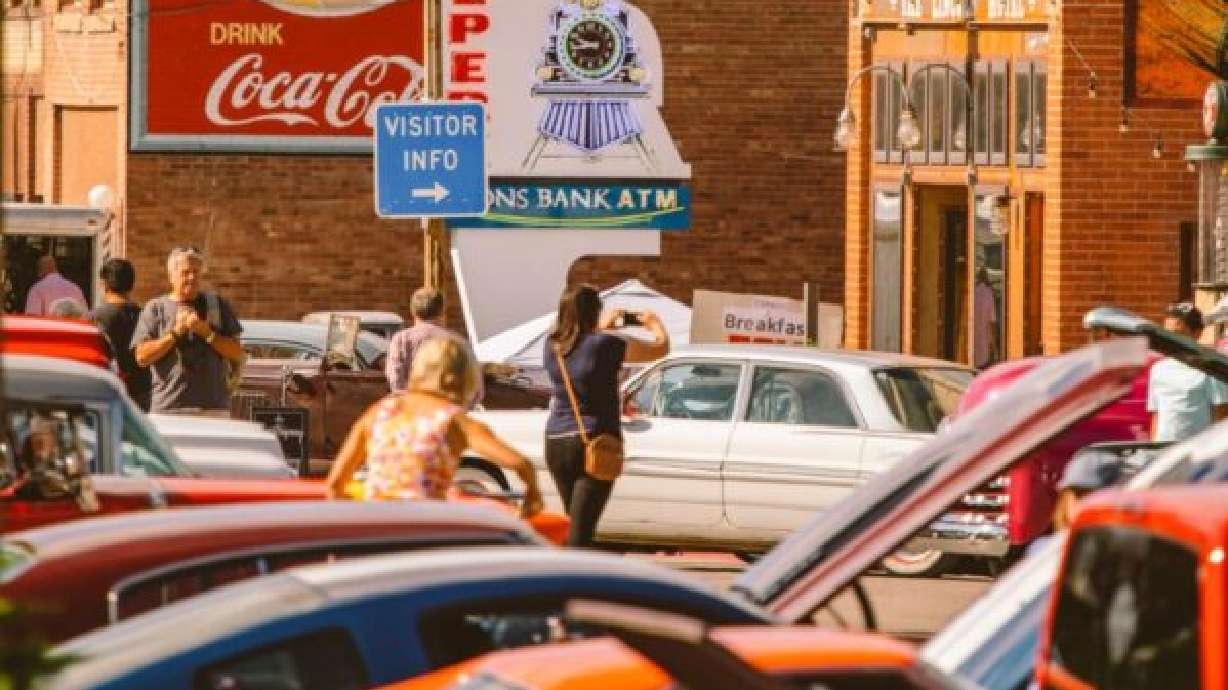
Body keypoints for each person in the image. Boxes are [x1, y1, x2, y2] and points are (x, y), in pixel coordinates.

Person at [326, 338, 543, 518]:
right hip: (425, 528)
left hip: (377, 528)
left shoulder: (381, 411)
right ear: (465, 378)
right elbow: (519, 463)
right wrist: (533, 496)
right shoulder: (453, 421)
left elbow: (335, 483)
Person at [543, 284, 670, 547]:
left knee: (574, 520)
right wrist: (654, 324)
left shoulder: (551, 346)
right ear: (595, 312)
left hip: (556, 439)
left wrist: (602, 327)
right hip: (594, 442)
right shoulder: (607, 344)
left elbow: (582, 352)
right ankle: (571, 582)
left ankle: (572, 579)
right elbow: (660, 348)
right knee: (582, 530)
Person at [132, 247, 244, 417]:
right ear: (171, 276)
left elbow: (237, 353)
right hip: (169, 408)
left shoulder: (217, 305)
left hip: (213, 410)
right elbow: (142, 357)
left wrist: (207, 333)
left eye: (196, 272)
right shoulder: (156, 308)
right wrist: (176, 333)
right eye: (185, 273)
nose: (192, 278)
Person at [386, 287, 483, 406]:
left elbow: (395, 379)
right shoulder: (460, 342)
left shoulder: (401, 339)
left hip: (413, 411)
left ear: (413, 311)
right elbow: (476, 390)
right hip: (450, 413)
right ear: (442, 311)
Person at [1148, 302, 1228, 443]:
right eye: (1167, 334)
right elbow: (1157, 415)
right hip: (1163, 454)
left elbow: (1221, 417)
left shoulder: (1211, 369)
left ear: (1197, 333)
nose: (1171, 340)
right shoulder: (1158, 369)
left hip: (1198, 455)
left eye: (1178, 334)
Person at [89, 259, 153, 411]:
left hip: (107, 393)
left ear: (104, 285)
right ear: (131, 284)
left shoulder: (94, 317)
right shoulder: (145, 315)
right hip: (142, 393)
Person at [973, 268, 998, 369]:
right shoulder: (988, 293)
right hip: (984, 344)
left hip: (973, 343)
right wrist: (994, 344)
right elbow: (991, 320)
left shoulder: (973, 291)